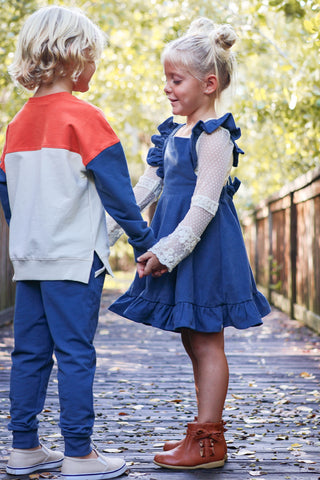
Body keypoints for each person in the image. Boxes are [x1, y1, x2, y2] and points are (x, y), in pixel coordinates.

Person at [0, 6, 158, 480]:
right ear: (75, 57)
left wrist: (28, 230)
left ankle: (23, 446)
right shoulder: (85, 119)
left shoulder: (14, 126)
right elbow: (119, 194)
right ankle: (79, 453)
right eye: (94, 57)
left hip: (28, 260)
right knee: (74, 353)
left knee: (28, 353)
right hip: (73, 259)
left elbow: (7, 194)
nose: (95, 66)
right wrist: (144, 241)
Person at [108, 17, 271, 470]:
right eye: (167, 79)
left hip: (204, 250)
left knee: (207, 342)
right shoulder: (172, 134)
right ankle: (203, 432)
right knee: (192, 338)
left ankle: (207, 442)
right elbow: (143, 191)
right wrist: (103, 234)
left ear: (209, 84)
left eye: (176, 80)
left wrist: (168, 250)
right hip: (180, 249)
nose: (167, 88)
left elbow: (203, 206)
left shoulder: (215, 137)